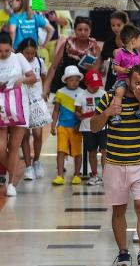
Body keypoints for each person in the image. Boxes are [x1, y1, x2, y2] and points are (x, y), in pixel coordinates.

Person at [91, 64, 140, 266]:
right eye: (137, 83)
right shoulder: (110, 97)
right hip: (115, 164)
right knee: (119, 210)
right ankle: (123, 252)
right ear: (128, 82)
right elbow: (93, 126)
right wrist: (107, 113)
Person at [0, 32, 37, 197]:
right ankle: (12, 172)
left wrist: (21, 80)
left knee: (14, 146)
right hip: (1, 107)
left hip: (19, 106)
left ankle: (11, 184)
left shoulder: (19, 58)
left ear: (11, 47)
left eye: (7, 51)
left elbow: (33, 77)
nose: (3, 54)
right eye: (0, 51)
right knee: (1, 147)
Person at [44, 16, 101, 97]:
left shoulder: (95, 48)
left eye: (86, 30)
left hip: (85, 90)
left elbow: (100, 72)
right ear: (74, 30)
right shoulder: (67, 45)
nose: (83, 32)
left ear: (90, 31)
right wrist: (46, 87)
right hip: (63, 87)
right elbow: (53, 67)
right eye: (80, 30)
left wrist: (93, 69)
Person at [19, 39, 50, 181]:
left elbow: (44, 76)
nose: (30, 56)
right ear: (21, 51)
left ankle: (36, 161)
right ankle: (28, 166)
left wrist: (45, 91)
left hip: (36, 101)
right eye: (27, 53)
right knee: (24, 136)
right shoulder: (18, 62)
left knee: (37, 134)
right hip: (22, 101)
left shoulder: (39, 62)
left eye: (32, 53)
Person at [50, 65, 85, 186]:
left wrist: (79, 125)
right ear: (65, 80)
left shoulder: (82, 93)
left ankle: (77, 174)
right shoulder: (60, 93)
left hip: (76, 128)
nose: (74, 83)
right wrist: (53, 125)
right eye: (71, 80)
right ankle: (59, 176)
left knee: (77, 152)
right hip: (62, 126)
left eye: (76, 80)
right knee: (61, 150)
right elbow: (56, 110)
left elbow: (83, 111)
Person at [75, 69, 107, 186]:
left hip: (103, 127)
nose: (96, 87)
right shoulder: (81, 96)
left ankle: (106, 175)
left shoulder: (103, 94)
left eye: (98, 85)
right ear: (86, 84)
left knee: (105, 150)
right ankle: (94, 175)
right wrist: (83, 115)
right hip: (87, 128)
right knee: (92, 151)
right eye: (93, 85)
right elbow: (77, 113)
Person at [97, 11, 128, 92]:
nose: (115, 28)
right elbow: (101, 59)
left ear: (126, 24)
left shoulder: (133, 42)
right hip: (112, 81)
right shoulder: (109, 42)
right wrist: (99, 69)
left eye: (119, 25)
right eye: (113, 25)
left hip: (128, 81)